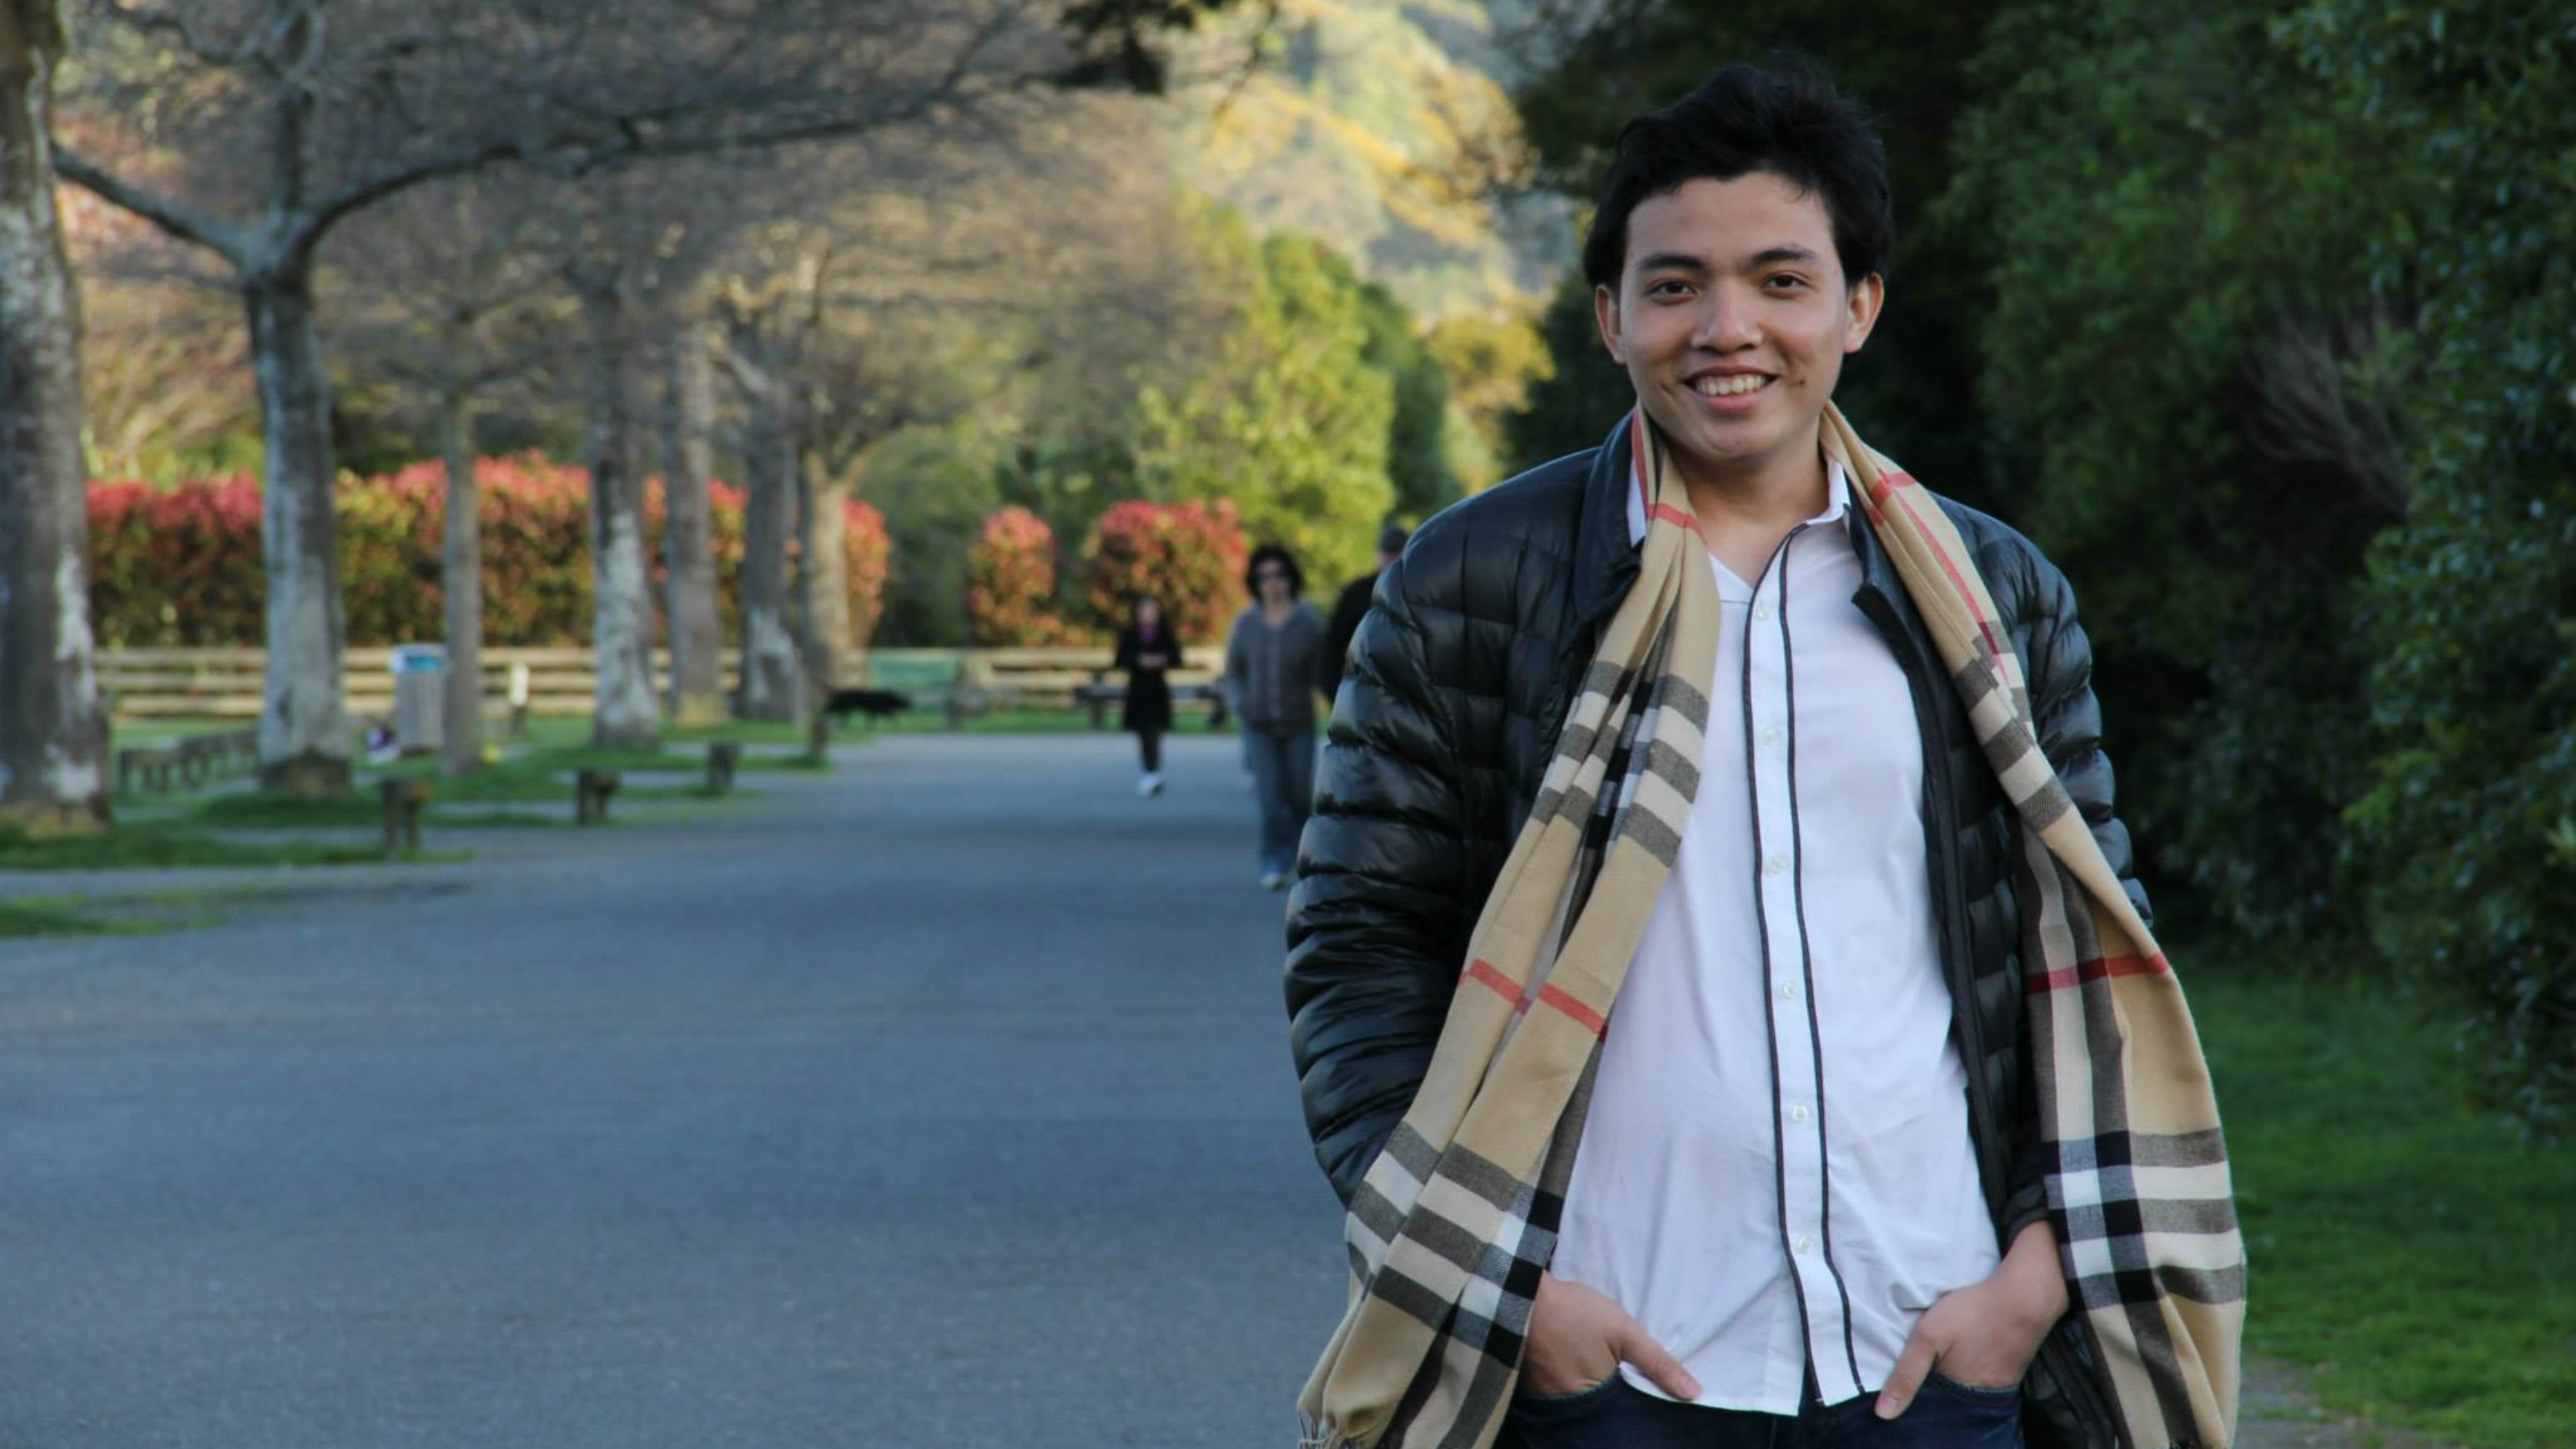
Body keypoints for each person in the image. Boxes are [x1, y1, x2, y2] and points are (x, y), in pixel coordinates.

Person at [1286, 60, 2244, 1449]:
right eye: (1675, 286)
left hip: (1937, 1347)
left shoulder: (1989, 593)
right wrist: (1522, 1302)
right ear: (1609, 314)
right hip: (1605, 1357)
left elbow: (2088, 946)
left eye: (1781, 281)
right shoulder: (1471, 581)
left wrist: (2031, 1281)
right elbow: (1359, 950)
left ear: (1857, 306)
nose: (1727, 328)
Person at [1225, 543, 1326, 890]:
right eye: (1265, 576)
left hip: (1298, 722)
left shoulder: (1308, 621)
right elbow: (1234, 672)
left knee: (1300, 796)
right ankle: (1274, 860)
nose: (1272, 582)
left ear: (1290, 579)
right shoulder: (1246, 623)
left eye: (1279, 575)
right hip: (1259, 725)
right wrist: (1239, 701)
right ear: (1256, 581)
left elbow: (1324, 671)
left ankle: (1304, 860)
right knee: (1269, 799)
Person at [1322, 522, 1410, 696]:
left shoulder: (1418, 592)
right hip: (1364, 689)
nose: (1391, 559)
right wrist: (1335, 692)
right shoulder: (1356, 593)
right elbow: (1333, 647)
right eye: (1388, 553)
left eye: (1396, 553)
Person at [1113, 595, 1179, 797]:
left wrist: (1161, 659)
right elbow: (1120, 659)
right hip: (1138, 689)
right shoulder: (1131, 634)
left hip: (1157, 689)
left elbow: (1177, 657)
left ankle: (1154, 771)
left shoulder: (1165, 633)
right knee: (1144, 733)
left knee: (1155, 732)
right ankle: (1149, 772)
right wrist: (1138, 660)